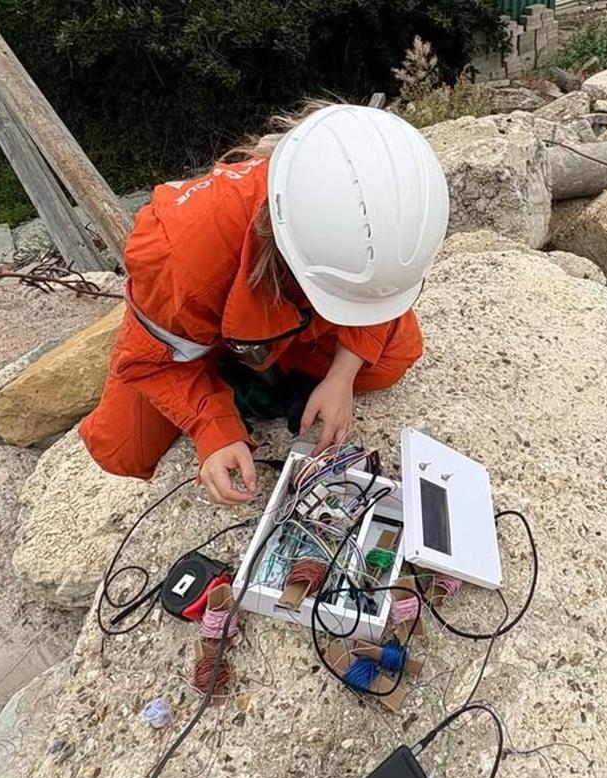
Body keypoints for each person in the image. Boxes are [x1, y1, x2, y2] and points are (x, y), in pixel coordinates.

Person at [80, 104, 449, 505]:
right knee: (122, 448)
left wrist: (341, 377)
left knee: (391, 356)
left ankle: (263, 379)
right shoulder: (180, 260)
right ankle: (230, 378)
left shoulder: (378, 219)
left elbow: (378, 303)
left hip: (278, 314)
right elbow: (151, 362)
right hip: (187, 329)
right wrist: (213, 430)